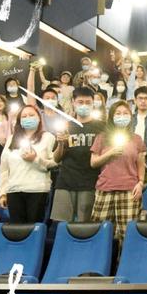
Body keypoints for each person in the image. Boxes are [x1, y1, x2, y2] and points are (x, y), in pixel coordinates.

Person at [90, 100, 147, 248]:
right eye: (118, 113)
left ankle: (125, 261)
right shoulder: (102, 137)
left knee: (127, 235)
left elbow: (141, 163)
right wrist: (110, 153)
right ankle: (101, 261)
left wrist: (141, 183)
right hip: (105, 188)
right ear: (111, 116)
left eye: (125, 113)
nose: (122, 116)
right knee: (100, 232)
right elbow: (93, 162)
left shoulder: (136, 139)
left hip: (129, 190)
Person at [50, 87, 104, 223]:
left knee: (85, 225)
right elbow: (56, 158)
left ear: (93, 104)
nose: (84, 105)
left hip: (91, 182)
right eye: (80, 102)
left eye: (88, 102)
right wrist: (61, 143)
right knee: (61, 224)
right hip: (66, 181)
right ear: (73, 103)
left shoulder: (102, 127)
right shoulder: (66, 126)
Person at [0, 105, 57, 223]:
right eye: (24, 116)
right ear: (19, 121)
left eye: (31, 115)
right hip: (14, 190)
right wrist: (2, 193)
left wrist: (35, 159)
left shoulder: (48, 137)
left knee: (35, 228)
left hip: (37, 190)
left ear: (39, 118)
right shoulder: (11, 139)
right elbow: (4, 168)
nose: (28, 118)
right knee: (17, 229)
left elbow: (54, 164)